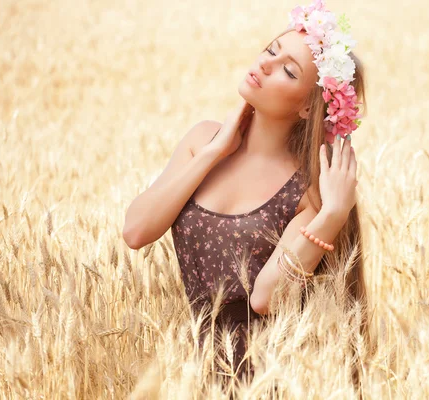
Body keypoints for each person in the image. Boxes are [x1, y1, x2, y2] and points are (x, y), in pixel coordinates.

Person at [123, 0, 370, 389]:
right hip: (194, 373)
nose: (266, 64)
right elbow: (135, 231)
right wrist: (213, 152)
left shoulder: (306, 192)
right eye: (271, 50)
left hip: (269, 380)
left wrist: (333, 215)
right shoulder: (202, 140)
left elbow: (266, 299)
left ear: (308, 106)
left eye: (288, 70)